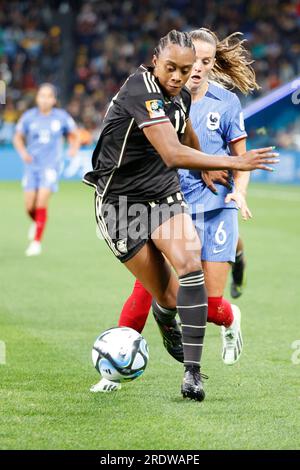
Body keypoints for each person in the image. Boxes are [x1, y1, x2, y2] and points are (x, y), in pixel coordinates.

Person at [84, 30, 278, 401]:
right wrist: (231, 162)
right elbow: (172, 153)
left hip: (162, 192)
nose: (178, 76)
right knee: (169, 296)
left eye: (185, 69)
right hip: (122, 205)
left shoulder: (183, 93)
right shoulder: (139, 90)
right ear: (155, 60)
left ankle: (193, 374)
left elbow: (185, 128)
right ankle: (164, 313)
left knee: (190, 266)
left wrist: (204, 168)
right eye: (171, 68)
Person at [115, 28, 261, 372]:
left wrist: (239, 192)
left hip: (215, 206)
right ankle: (114, 366)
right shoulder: (160, 97)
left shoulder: (225, 103)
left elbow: (241, 156)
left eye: (204, 62)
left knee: (209, 307)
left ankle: (230, 317)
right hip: (170, 205)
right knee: (148, 291)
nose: (195, 68)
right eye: (190, 61)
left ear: (212, 64)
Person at [13, 83, 80, 256]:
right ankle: (36, 222)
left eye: (48, 96)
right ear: (37, 98)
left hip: (51, 166)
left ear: (53, 99)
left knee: (41, 201)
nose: (44, 99)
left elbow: (74, 134)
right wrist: (22, 152)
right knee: (30, 206)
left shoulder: (61, 117)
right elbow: (17, 137)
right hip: (31, 166)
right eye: (41, 96)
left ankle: (36, 242)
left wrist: (73, 148)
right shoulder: (29, 117)